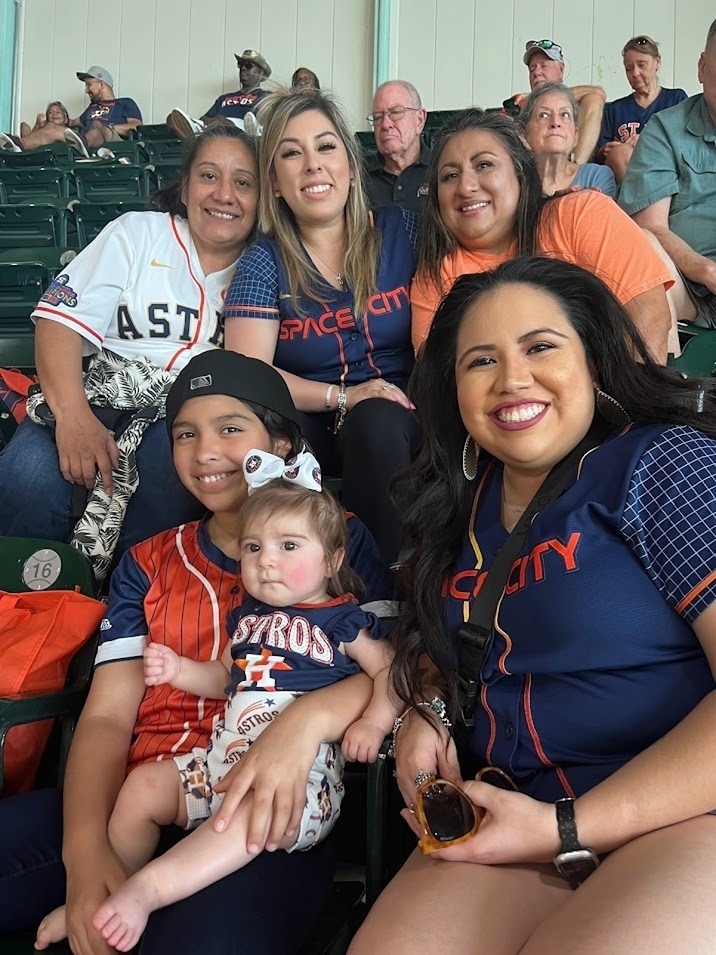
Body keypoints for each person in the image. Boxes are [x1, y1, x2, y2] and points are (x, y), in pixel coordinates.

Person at [349, 255, 716, 955]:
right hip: (512, 809)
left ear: (594, 361)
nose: (512, 378)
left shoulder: (665, 464)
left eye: (541, 347)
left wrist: (566, 826)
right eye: (481, 360)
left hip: (679, 812)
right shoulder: (454, 507)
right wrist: (426, 711)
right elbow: (444, 649)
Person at [1, 348, 395, 955]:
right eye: (185, 434)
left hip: (268, 808)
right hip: (143, 793)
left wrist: (306, 721)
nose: (205, 451)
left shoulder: (336, 538)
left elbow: (390, 669)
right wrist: (86, 857)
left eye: (230, 429)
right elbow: (107, 719)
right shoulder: (149, 560)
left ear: (281, 445)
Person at [0, 124, 259, 573]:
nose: (224, 194)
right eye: (208, 176)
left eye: (242, 182)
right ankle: (30, 603)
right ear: (185, 187)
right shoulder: (139, 232)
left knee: (167, 476)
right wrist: (74, 417)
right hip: (98, 392)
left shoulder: (264, 264)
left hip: (186, 411)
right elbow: (59, 323)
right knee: (27, 474)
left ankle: (131, 604)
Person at [222, 88, 421, 563]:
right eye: (292, 153)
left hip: (398, 416)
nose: (313, 165)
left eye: (326, 147)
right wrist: (344, 396)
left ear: (350, 166)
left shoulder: (404, 230)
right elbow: (250, 373)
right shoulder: (263, 260)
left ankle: (386, 583)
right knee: (263, 437)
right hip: (309, 417)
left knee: (378, 420)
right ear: (275, 182)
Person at [410, 109, 673, 362]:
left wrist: (617, 392)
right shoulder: (434, 275)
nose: (465, 187)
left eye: (484, 165)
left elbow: (647, 314)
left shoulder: (580, 214)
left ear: (520, 174)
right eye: (450, 176)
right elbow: (442, 373)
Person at [619, 19, 716, 330]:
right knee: (644, 258)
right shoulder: (665, 129)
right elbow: (649, 228)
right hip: (692, 291)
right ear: (702, 68)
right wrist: (707, 271)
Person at [597, 36, 687, 184]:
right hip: (624, 179)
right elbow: (599, 156)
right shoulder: (615, 109)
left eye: (641, 65)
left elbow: (688, 144)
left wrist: (647, 141)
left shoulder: (676, 99)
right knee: (620, 153)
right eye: (629, 69)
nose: (635, 73)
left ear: (657, 62)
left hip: (667, 176)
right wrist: (605, 152)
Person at [503, 39, 606, 164]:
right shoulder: (518, 103)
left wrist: (539, 96)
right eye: (532, 69)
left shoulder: (582, 100)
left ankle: (577, 166)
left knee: (594, 99)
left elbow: (600, 93)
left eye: (544, 66)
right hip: (531, 165)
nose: (536, 72)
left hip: (573, 163)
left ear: (561, 70)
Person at [0, 67, 142, 158]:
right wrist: (49, 119)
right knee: (52, 128)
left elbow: (136, 126)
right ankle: (19, 145)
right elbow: (70, 122)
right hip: (87, 139)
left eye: (89, 85)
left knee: (97, 124)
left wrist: (110, 127)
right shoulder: (91, 108)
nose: (87, 90)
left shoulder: (124, 102)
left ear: (101, 84)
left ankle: (84, 143)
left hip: (112, 140)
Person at [519, 84, 617, 198]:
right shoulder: (514, 180)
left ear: (575, 136)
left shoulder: (595, 177)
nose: (556, 122)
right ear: (524, 136)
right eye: (543, 115)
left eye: (564, 115)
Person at [167, 50, 271, 139]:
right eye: (241, 65)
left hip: (243, 128)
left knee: (222, 122)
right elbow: (205, 118)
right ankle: (197, 133)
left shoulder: (266, 96)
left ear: (261, 72)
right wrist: (213, 121)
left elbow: (271, 119)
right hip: (216, 126)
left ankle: (199, 135)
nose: (243, 68)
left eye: (248, 65)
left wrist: (222, 120)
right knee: (172, 120)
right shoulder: (224, 98)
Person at [365, 80, 430, 215]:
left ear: (419, 120)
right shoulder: (358, 177)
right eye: (377, 117)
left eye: (395, 112)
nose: (385, 124)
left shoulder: (441, 171)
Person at [0, 101, 70, 152]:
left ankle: (18, 144)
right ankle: (17, 144)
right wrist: (38, 124)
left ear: (66, 119)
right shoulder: (46, 128)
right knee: (24, 126)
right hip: (29, 148)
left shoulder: (65, 132)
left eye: (58, 112)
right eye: (50, 112)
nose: (54, 114)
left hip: (24, 147)